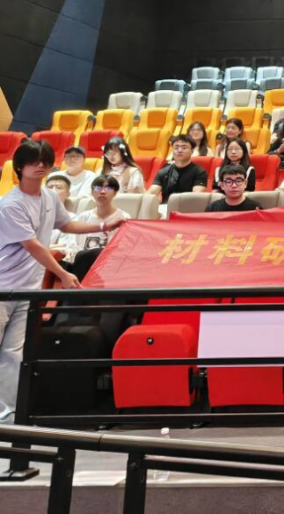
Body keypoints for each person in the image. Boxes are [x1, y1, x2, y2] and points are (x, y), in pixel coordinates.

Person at [1, 140, 123, 423]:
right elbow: (34, 246)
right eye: (33, 161)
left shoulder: (48, 196)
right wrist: (64, 274)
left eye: (45, 160)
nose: (40, 166)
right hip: (3, 287)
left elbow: (67, 224)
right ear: (19, 166)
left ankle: (9, 411)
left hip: (28, 290)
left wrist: (104, 225)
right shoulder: (10, 204)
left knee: (13, 351)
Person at [66, 174, 127, 271]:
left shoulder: (123, 217)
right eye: (98, 188)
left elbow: (123, 248)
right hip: (81, 263)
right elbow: (73, 245)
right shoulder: (83, 216)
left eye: (107, 188)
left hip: (108, 266)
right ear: (92, 192)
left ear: (115, 193)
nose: (102, 192)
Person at [149, 135, 210, 203]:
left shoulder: (199, 172)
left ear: (192, 151)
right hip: (166, 207)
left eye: (184, 147)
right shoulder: (163, 172)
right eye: (176, 147)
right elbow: (150, 194)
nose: (179, 150)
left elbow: (196, 197)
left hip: (188, 207)